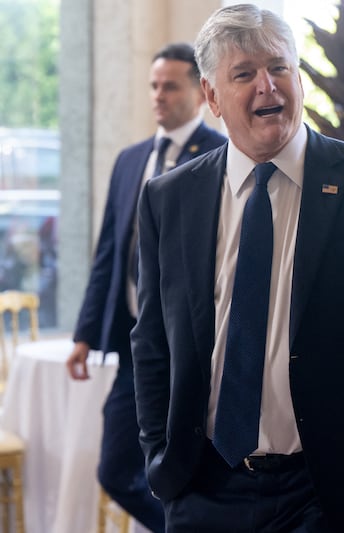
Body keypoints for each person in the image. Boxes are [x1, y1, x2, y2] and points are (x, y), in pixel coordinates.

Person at [130, 5, 344, 533]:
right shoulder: (168, 198)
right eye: (244, 74)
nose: (267, 86)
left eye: (279, 68)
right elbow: (152, 341)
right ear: (212, 97)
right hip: (204, 488)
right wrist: (158, 458)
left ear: (299, 78)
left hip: (335, 491)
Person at [67, 42, 227, 532]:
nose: (159, 95)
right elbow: (108, 255)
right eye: (154, 85)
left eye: (171, 85)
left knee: (192, 467)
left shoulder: (222, 156)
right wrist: (85, 334)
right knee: (116, 469)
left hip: (198, 348)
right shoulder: (130, 160)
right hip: (139, 346)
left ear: (201, 93)